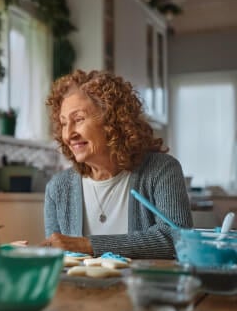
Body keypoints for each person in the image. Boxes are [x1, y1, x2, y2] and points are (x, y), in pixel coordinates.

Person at [41, 70, 192, 259]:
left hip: (144, 288)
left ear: (112, 121)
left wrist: (88, 245)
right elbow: (58, 260)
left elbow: (177, 240)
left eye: (78, 119)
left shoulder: (161, 170)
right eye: (64, 124)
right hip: (81, 289)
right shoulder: (58, 188)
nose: (68, 134)